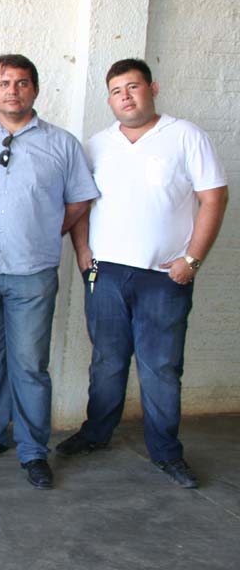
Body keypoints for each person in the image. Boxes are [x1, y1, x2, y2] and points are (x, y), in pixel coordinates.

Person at [56, 59, 228, 488]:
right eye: (116, 91)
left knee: (161, 367)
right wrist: (83, 253)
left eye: (133, 87)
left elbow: (214, 198)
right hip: (106, 274)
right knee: (107, 362)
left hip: (163, 277)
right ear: (109, 99)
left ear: (152, 88)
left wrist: (192, 259)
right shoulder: (98, 144)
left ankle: (166, 451)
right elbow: (81, 203)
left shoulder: (185, 136)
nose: (125, 97)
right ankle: (97, 433)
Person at [0, 54, 99, 489]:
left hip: (32, 273)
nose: (12, 90)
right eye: (4, 83)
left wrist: (45, 231)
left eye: (21, 83)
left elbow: (79, 200)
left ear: (35, 90)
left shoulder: (62, 144)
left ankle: (33, 450)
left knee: (30, 364)